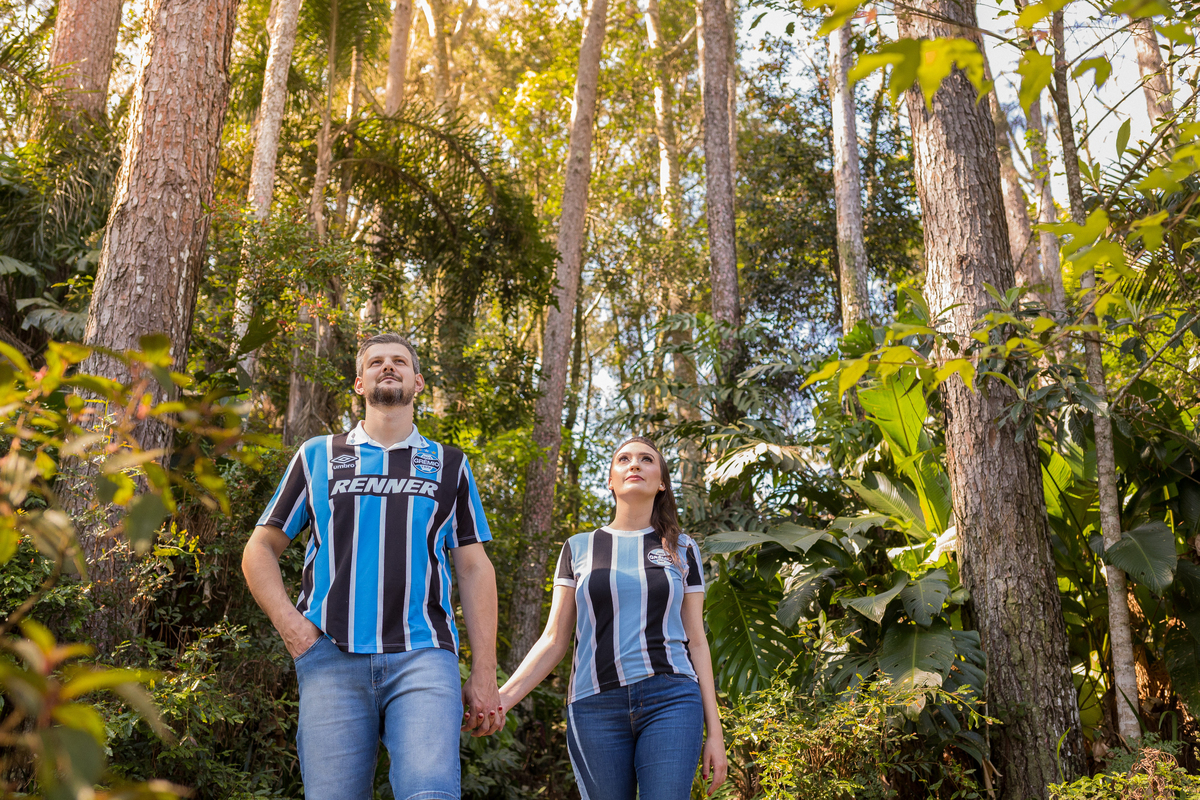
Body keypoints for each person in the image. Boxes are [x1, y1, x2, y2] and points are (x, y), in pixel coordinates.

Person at [242, 333, 503, 800]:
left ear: (417, 382)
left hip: (424, 655)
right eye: (376, 362)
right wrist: (293, 629)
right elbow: (260, 548)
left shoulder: (450, 464)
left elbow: (474, 569)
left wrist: (485, 672)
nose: (388, 367)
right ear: (359, 383)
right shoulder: (318, 455)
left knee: (431, 794)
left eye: (399, 361)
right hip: (331, 656)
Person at [498, 436, 728, 799]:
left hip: (671, 698)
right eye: (624, 459)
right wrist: (501, 700)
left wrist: (715, 733)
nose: (634, 464)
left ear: (662, 482)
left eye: (646, 459)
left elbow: (696, 641)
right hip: (593, 706)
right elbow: (554, 640)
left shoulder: (683, 548)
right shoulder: (578, 547)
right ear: (610, 480)